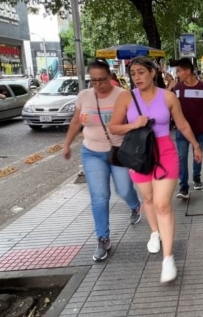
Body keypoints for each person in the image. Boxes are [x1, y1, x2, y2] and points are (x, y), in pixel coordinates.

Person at [109, 56, 203, 283]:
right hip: (139, 153)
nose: (137, 77)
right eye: (133, 74)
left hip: (165, 152)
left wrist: (195, 144)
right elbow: (113, 127)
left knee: (162, 204)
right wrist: (134, 124)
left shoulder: (169, 96)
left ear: (153, 72)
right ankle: (154, 232)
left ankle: (168, 258)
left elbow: (181, 124)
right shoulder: (125, 98)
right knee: (148, 199)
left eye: (141, 72)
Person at [62, 59, 143, 262]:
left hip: (118, 152)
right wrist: (67, 144)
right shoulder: (84, 97)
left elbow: (136, 121)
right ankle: (103, 238)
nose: (98, 84)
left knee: (124, 189)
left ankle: (134, 205)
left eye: (102, 80)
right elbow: (75, 121)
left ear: (110, 77)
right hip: (92, 153)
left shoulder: (123, 96)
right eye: (94, 81)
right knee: (99, 196)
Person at [173, 58, 203, 198]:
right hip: (181, 130)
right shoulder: (177, 88)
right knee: (182, 157)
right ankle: (183, 187)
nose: (177, 74)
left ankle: (196, 177)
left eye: (179, 71)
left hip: (199, 129)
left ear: (188, 72)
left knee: (197, 155)